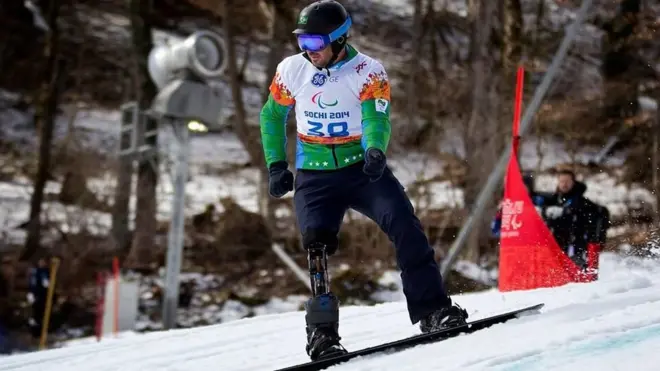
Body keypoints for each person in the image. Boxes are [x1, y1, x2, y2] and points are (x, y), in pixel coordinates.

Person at [259, 0, 467, 361]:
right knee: (316, 246)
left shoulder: (368, 71)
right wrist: (277, 164)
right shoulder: (291, 70)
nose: (309, 52)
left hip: (362, 171)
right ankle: (322, 336)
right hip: (315, 175)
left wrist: (375, 150)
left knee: (404, 224)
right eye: (302, 43)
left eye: (315, 43)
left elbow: (376, 118)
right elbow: (272, 116)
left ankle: (434, 310)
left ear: (339, 40)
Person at [539, 169, 609, 269]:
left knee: (577, 273)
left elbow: (597, 214)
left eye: (567, 181)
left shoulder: (582, 201)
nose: (564, 184)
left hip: (578, 246)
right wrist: (545, 212)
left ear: (573, 182)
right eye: (562, 181)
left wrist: (565, 212)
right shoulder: (553, 200)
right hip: (557, 246)